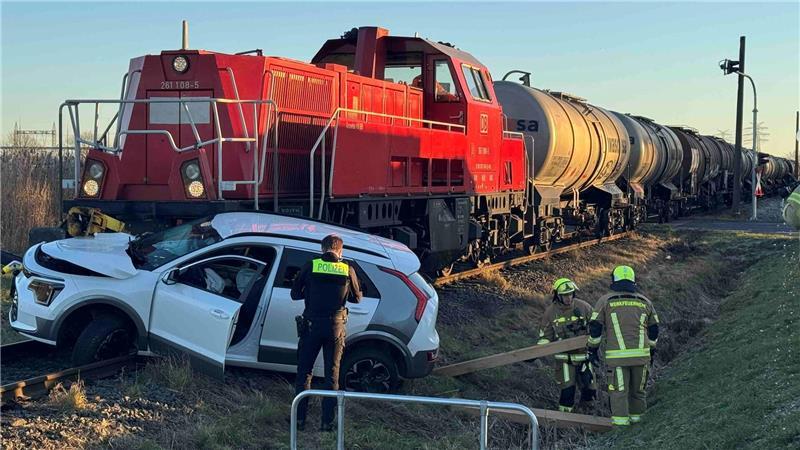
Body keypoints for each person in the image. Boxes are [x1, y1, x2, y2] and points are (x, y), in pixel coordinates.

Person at [290, 234, 362, 432]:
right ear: (340, 251)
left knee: (304, 372)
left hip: (311, 325)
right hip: (335, 328)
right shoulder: (347, 269)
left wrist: (310, 293)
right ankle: (327, 423)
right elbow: (357, 298)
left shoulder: (311, 265)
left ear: (322, 249)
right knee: (332, 375)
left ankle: (299, 420)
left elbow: (294, 294)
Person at [587, 265, 659, 426]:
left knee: (619, 393)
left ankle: (621, 428)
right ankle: (639, 425)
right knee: (638, 392)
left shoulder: (605, 301)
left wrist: (592, 350)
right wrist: (652, 350)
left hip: (617, 359)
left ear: (614, 280)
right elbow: (654, 329)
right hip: (641, 358)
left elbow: (595, 328)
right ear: (633, 281)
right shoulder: (645, 302)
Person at [537, 278, 596, 412]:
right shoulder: (550, 312)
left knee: (590, 391)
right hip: (564, 360)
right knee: (567, 392)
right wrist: (536, 351)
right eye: (564, 295)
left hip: (584, 358)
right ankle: (564, 418)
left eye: (570, 294)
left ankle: (587, 416)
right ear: (557, 296)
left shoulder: (584, 307)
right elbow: (545, 336)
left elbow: (597, 326)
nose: (568, 298)